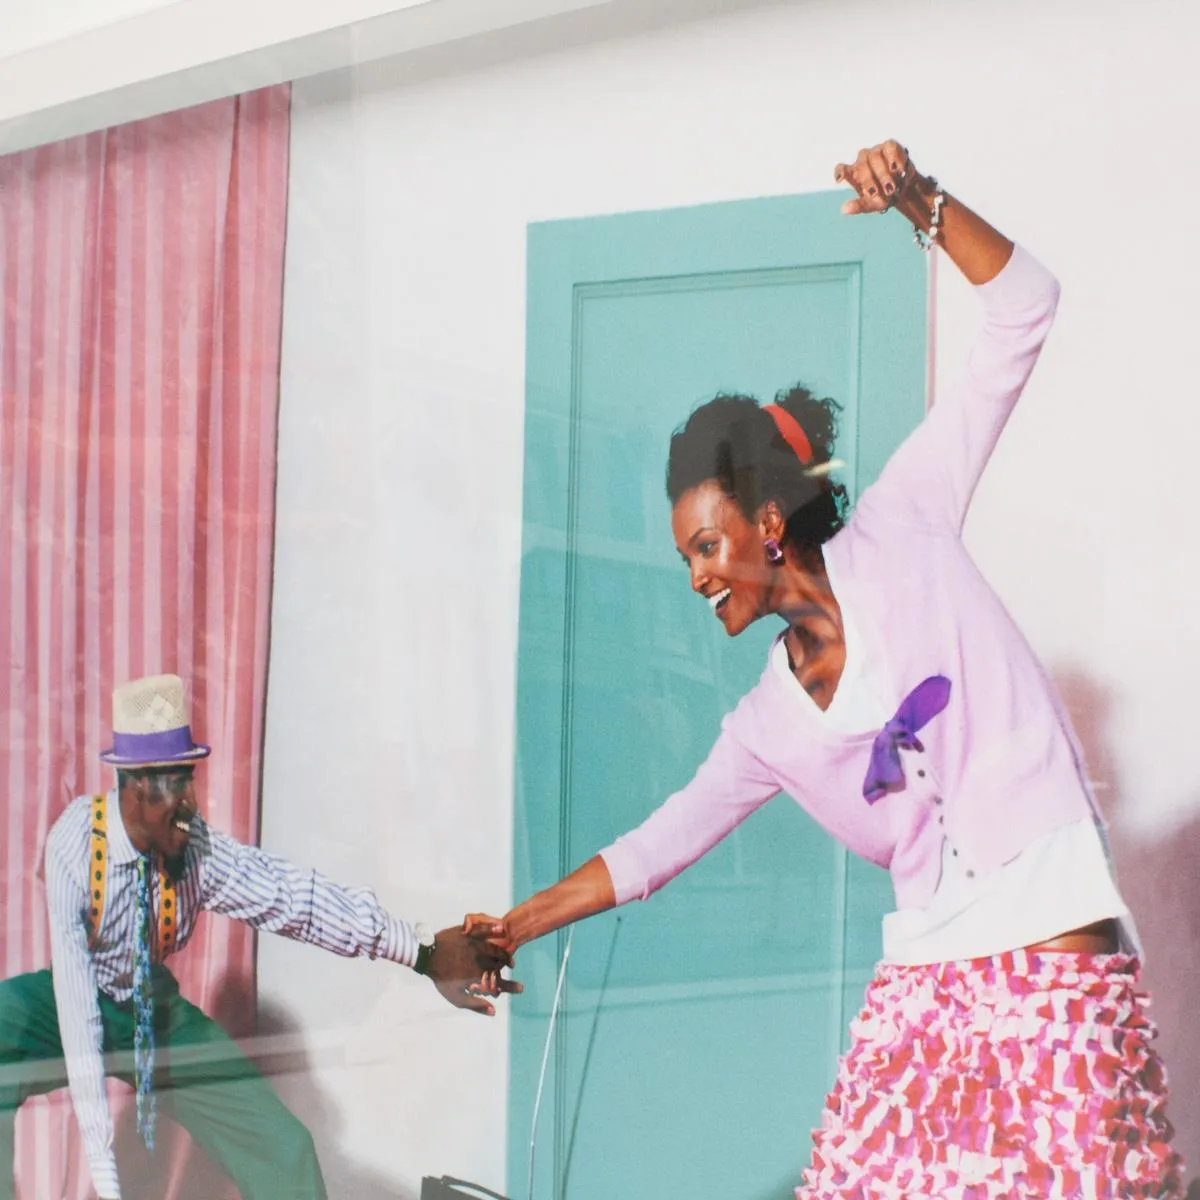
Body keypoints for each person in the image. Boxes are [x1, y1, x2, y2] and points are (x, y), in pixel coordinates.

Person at [467, 141, 1184, 1197]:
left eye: (704, 546)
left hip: (1052, 954)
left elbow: (1025, 309)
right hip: (926, 983)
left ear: (765, 523)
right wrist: (510, 925)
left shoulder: (908, 523)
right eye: (682, 560)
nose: (696, 577)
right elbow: (655, 848)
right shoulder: (767, 725)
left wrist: (921, 204)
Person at [0, 673, 517, 1200]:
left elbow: (297, 901)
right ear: (133, 785)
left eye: (189, 780)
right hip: (78, 994)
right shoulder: (75, 845)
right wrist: (106, 1180)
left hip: (151, 1009)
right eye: (171, 786)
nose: (190, 804)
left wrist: (422, 951)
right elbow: (77, 1011)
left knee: (284, 1146)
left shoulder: (193, 846)